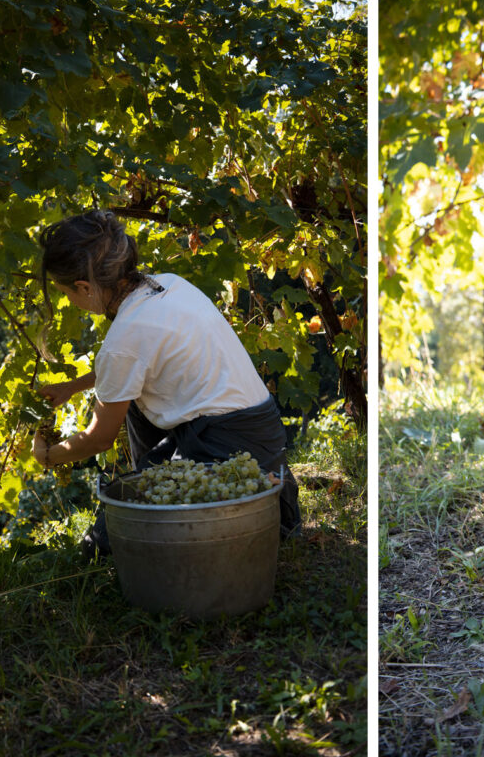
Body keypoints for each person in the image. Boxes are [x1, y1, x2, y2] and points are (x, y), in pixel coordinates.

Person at [31, 209, 301, 556]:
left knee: (105, 545)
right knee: (132, 405)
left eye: (65, 292)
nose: (69, 299)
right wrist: (73, 387)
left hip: (222, 443)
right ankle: (178, 490)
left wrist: (49, 455)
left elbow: (99, 439)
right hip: (260, 426)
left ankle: (232, 506)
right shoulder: (169, 285)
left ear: (84, 287)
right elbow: (139, 359)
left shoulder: (123, 341)